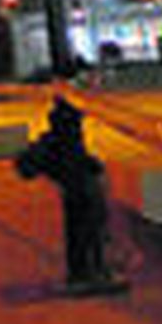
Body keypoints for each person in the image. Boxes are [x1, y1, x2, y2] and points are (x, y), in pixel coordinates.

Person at [15, 97, 120, 294]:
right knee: (85, 234)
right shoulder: (60, 141)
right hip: (78, 193)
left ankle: (90, 272)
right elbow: (28, 167)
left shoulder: (65, 140)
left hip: (80, 191)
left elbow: (74, 159)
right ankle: (86, 274)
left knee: (87, 234)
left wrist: (90, 164)